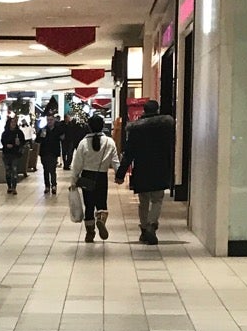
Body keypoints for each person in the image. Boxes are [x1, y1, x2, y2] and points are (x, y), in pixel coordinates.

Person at [116, 98, 177, 244]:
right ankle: (151, 225)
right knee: (157, 199)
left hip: (142, 168)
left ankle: (144, 229)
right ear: (157, 110)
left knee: (143, 201)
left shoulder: (136, 129)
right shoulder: (166, 127)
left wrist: (120, 174)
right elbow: (171, 149)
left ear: (144, 111)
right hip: (160, 167)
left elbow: (129, 153)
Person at [69, 114, 119, 243]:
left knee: (89, 205)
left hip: (87, 177)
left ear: (89, 127)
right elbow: (115, 161)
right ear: (102, 126)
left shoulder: (83, 143)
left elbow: (77, 164)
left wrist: (73, 180)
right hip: (101, 176)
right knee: (101, 203)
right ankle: (101, 219)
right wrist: (119, 175)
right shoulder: (109, 142)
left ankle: (90, 233)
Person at [1, 115, 27, 195]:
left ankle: (14, 187)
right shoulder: (5, 133)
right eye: (12, 122)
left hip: (15, 154)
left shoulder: (19, 133)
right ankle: (9, 186)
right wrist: (6, 145)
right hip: (7, 154)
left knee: (14, 170)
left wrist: (19, 144)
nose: (13, 124)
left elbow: (23, 142)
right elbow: (3, 142)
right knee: (8, 171)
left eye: (14, 122)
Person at [38, 109, 62, 192]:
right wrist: (41, 136)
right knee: (46, 170)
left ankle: (54, 185)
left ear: (54, 120)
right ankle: (47, 186)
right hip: (44, 153)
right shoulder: (43, 130)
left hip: (53, 153)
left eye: (51, 120)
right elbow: (38, 140)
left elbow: (62, 138)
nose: (49, 121)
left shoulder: (57, 129)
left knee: (52, 170)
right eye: (48, 120)